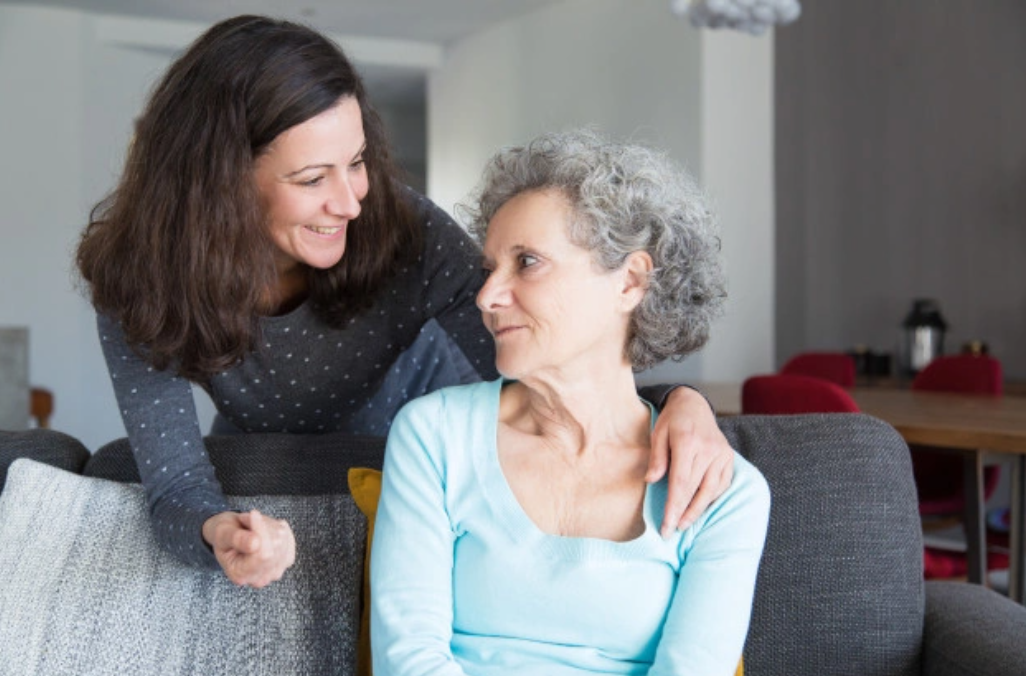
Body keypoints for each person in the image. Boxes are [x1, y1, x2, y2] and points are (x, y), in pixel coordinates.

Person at [75, 15, 734, 589]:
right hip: (262, 462)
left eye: (357, 161)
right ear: (217, 183)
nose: (351, 200)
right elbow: (176, 491)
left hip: (414, 458)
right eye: (312, 178)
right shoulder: (141, 280)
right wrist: (220, 533)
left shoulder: (404, 230)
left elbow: (559, 365)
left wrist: (678, 402)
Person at [371, 129, 771, 676]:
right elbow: (409, 662)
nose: (487, 297)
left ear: (629, 282)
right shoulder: (434, 434)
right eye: (490, 269)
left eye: (527, 262)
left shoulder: (725, 494)